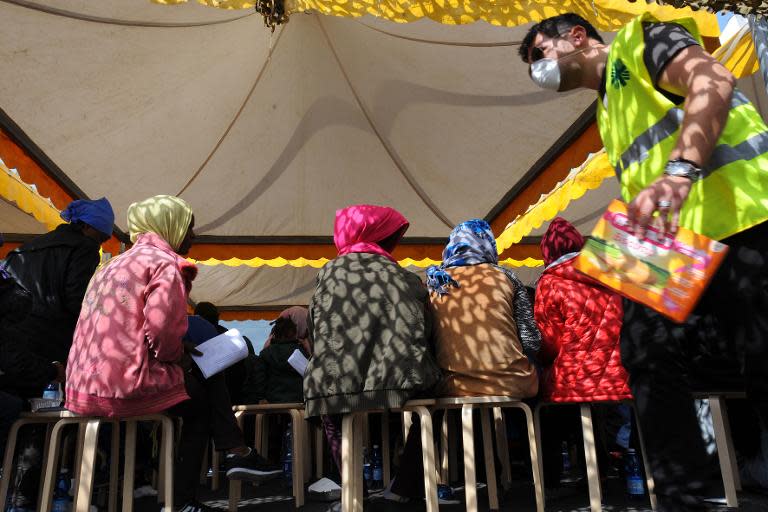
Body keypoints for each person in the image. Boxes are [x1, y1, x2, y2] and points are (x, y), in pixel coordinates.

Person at [520, 12, 768, 509]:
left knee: (760, 352)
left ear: (576, 36)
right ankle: (684, 494)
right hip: (663, 236)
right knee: (642, 352)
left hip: (741, 211)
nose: (535, 69)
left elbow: (713, 79)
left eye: (537, 53)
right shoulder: (606, 107)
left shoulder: (642, 41)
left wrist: (680, 171)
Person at [64, 195, 279, 512]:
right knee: (202, 399)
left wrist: (179, 353)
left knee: (203, 375)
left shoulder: (111, 265)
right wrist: (179, 354)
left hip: (82, 385)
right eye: (189, 228)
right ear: (170, 226)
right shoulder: (164, 265)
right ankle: (192, 491)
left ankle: (235, 451)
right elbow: (163, 332)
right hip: (124, 385)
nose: (193, 235)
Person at [385, 219, 541, 502]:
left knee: (434, 403)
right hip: (511, 383)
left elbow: (428, 339)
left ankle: (405, 486)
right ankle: (529, 476)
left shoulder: (436, 283)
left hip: (454, 384)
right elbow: (532, 339)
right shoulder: (507, 277)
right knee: (519, 395)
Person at [303, 204, 441, 489]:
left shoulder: (328, 276)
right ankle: (405, 485)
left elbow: (316, 333)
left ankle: (354, 492)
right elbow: (427, 331)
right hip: (403, 382)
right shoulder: (407, 278)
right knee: (436, 405)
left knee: (331, 414)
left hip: (335, 385)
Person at [534, 217, 632, 486]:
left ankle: (551, 479)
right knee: (608, 407)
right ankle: (630, 472)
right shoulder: (610, 271)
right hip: (621, 373)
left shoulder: (550, 282)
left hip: (575, 379)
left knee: (547, 408)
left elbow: (548, 341)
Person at [2, 198, 114, 397]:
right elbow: (77, 300)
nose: (101, 243)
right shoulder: (85, 248)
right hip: (50, 341)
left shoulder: (26, 248)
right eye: (101, 238)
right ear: (86, 226)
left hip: (13, 340)